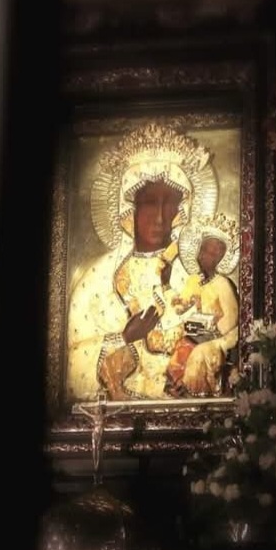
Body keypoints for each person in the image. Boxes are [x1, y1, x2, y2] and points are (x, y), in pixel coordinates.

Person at [65, 123, 222, 400]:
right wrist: (124, 338)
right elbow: (73, 360)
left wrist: (190, 368)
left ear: (181, 210)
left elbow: (212, 346)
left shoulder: (192, 280)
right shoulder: (97, 280)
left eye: (170, 203)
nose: (160, 217)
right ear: (130, 209)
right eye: (149, 203)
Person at [164, 225, 240, 397]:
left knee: (199, 354)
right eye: (203, 250)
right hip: (199, 333)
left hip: (221, 335)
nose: (203, 255)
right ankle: (178, 389)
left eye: (210, 253)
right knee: (181, 346)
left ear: (218, 258)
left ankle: (196, 396)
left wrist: (212, 329)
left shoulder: (222, 283)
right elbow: (180, 307)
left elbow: (232, 317)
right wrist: (167, 287)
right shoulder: (194, 280)